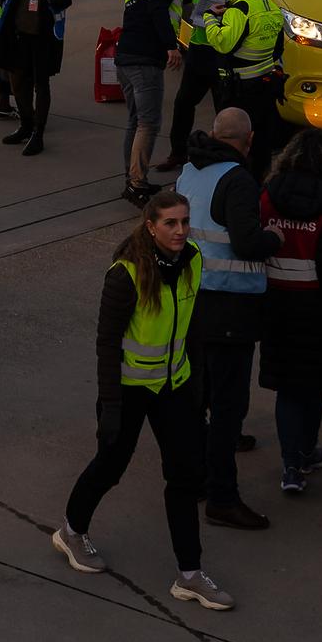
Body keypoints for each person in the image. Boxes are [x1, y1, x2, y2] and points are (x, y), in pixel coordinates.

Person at [53, 189, 230, 611]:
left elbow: (193, 328)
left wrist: (197, 387)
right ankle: (72, 532)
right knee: (111, 465)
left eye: (185, 222)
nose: (180, 230)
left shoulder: (193, 261)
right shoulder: (125, 274)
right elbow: (106, 344)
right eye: (170, 223)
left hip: (175, 387)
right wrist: (110, 407)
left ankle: (189, 574)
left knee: (185, 476)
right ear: (150, 226)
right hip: (130, 389)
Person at [174, 104, 272, 531]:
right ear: (248, 141)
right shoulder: (238, 179)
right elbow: (248, 243)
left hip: (192, 303)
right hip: (229, 307)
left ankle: (194, 479)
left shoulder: (189, 171)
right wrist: (275, 237)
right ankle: (222, 497)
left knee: (199, 398)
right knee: (229, 405)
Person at [258, 128, 322, 499]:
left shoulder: (269, 192)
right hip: (315, 306)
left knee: (286, 386)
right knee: (313, 384)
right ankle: (307, 452)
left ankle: (289, 466)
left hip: (276, 302)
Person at [196, 0, 288, 170]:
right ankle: (260, 177)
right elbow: (278, 49)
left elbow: (223, 43)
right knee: (261, 139)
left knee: (236, 141)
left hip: (242, 89)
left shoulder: (240, 9)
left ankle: (238, 177)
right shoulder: (272, 7)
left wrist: (210, 17)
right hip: (267, 84)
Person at [0, 0, 79, 156]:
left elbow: (67, 1)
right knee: (18, 81)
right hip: (18, 30)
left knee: (41, 83)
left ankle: (38, 133)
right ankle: (25, 124)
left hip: (44, 33)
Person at [116, 0, 183, 202]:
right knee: (149, 123)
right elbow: (158, 9)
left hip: (125, 56)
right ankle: (137, 183)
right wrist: (171, 46)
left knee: (135, 121)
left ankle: (131, 177)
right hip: (146, 60)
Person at [166, 0, 232, 169]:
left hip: (221, 52)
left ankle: (226, 156)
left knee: (223, 108)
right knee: (183, 103)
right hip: (198, 50)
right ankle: (178, 152)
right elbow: (189, 12)